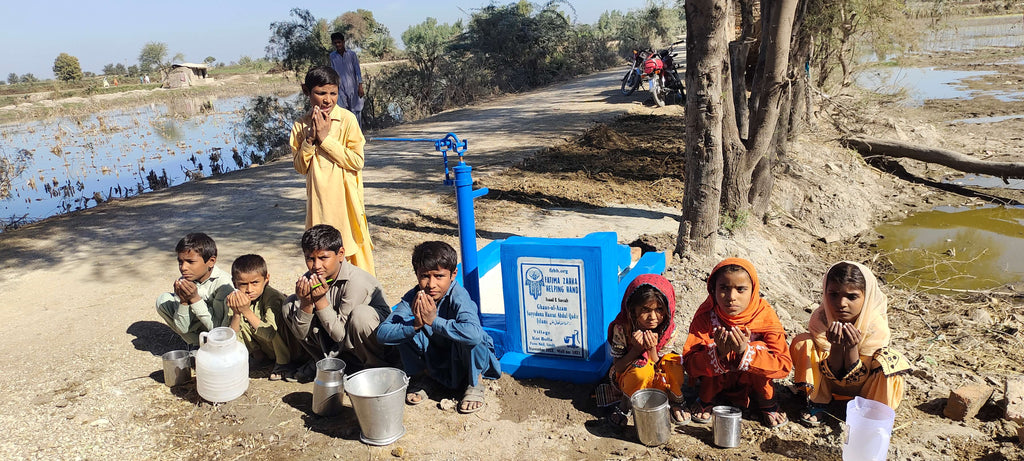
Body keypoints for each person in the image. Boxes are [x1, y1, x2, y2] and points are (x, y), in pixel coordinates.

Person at [376, 241, 501, 414]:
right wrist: (415, 324)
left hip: (463, 360)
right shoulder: (414, 297)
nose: (431, 284)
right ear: (417, 275)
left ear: (453, 274)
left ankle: (475, 382)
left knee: (473, 335)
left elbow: (473, 335)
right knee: (405, 330)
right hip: (438, 359)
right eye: (425, 276)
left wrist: (434, 321)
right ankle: (426, 377)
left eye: (439, 276)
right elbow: (382, 334)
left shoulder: (458, 296)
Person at [789, 261, 911, 426]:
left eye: (852, 296)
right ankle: (818, 401)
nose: (841, 304)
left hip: (861, 387)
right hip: (828, 380)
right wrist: (837, 347)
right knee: (802, 342)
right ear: (825, 293)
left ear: (866, 297)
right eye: (833, 294)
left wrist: (852, 347)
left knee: (891, 361)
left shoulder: (875, 325)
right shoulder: (821, 318)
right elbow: (833, 370)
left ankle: (871, 412)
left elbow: (857, 378)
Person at [682, 258, 792, 428]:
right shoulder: (706, 316)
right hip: (715, 379)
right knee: (710, 346)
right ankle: (707, 397)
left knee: (757, 348)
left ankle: (766, 400)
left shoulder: (765, 315)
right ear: (713, 289)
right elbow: (689, 364)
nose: (731, 297)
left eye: (741, 289)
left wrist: (745, 352)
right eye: (724, 288)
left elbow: (784, 365)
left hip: (753, 381)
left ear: (753, 290)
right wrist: (718, 352)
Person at [289, 66, 375, 276]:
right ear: (306, 91)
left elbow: (356, 161)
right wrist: (310, 139)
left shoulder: (346, 120)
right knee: (322, 254)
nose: (327, 99)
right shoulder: (301, 125)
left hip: (345, 202)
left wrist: (325, 140)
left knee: (352, 252)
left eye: (333, 93)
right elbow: (301, 167)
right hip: (318, 203)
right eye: (320, 93)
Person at [282, 224, 393, 381]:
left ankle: (374, 370)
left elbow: (340, 335)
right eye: (310, 258)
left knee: (362, 315)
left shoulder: (357, 282)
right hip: (337, 342)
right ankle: (323, 363)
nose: (316, 266)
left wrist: (320, 300)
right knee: (290, 304)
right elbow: (300, 334)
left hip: (364, 345)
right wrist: (306, 303)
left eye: (323, 258)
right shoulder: (311, 277)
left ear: (341, 254)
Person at [606, 274, 689, 426]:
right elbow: (618, 367)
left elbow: (658, 364)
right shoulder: (622, 328)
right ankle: (625, 404)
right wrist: (636, 350)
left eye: (659, 309)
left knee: (674, 363)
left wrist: (651, 349)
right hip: (630, 377)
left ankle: (675, 400)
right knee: (641, 370)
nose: (653, 317)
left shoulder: (669, 330)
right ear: (632, 309)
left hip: (658, 377)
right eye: (645, 309)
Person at [226, 254, 303, 381]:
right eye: (243, 284)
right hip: (267, 348)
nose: (249, 289)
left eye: (255, 282)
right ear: (234, 283)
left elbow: (270, 333)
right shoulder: (237, 298)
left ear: (266, 279)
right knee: (241, 322)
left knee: (270, 326)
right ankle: (259, 357)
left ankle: (283, 364)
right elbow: (232, 336)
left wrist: (246, 311)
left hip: (289, 347)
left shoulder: (272, 297)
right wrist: (237, 313)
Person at [155, 233, 235, 347]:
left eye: (190, 262)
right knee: (163, 300)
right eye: (180, 262)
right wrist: (183, 301)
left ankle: (212, 346)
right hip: (198, 330)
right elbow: (182, 328)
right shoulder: (185, 281)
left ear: (211, 261)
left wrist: (194, 299)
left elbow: (218, 328)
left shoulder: (223, 284)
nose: (183, 268)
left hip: (219, 332)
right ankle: (196, 344)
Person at [328, 32, 364, 126]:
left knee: (355, 111)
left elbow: (357, 71)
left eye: (339, 42)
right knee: (343, 112)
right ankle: (347, 136)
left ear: (343, 42)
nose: (338, 45)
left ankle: (358, 134)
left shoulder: (352, 55)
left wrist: (360, 85)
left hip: (353, 87)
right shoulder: (332, 56)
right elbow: (333, 72)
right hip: (340, 88)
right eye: (335, 43)